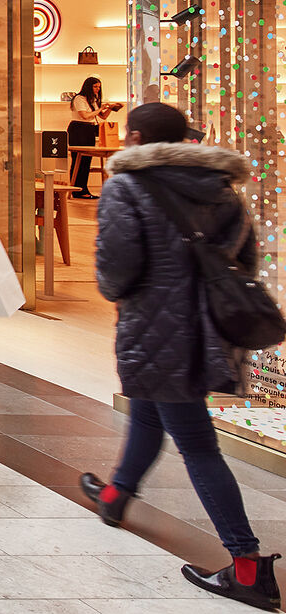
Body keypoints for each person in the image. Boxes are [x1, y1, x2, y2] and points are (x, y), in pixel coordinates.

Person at [79, 101, 279, 605]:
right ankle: (115, 496)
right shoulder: (220, 187)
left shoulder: (127, 185)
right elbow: (247, 258)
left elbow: (116, 271)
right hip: (207, 329)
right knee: (147, 414)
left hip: (154, 327)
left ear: (137, 136)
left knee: (196, 443)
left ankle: (247, 564)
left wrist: (125, 290)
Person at [69, 76, 122, 198]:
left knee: (87, 160)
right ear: (88, 86)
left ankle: (84, 190)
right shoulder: (79, 98)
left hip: (89, 129)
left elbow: (102, 117)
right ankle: (77, 190)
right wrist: (101, 108)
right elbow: (85, 116)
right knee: (78, 159)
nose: (98, 89)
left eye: (99, 87)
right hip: (79, 129)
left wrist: (111, 109)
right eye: (95, 86)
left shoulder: (93, 99)